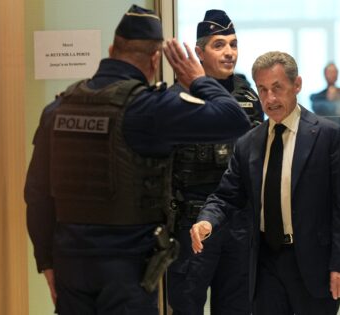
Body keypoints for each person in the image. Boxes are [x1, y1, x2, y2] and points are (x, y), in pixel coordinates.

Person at [24, 4, 251, 315]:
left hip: (70, 264)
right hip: (127, 269)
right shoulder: (149, 111)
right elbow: (234, 120)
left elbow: (36, 195)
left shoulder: (57, 110)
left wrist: (47, 262)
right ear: (155, 59)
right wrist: (198, 80)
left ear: (110, 50)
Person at [191, 51, 340, 315]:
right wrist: (207, 220)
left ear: (297, 85)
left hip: (313, 264)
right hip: (265, 263)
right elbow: (226, 196)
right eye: (262, 90)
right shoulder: (248, 143)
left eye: (277, 88)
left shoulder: (329, 136)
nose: (270, 99)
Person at [167, 9, 263, 315]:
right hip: (191, 222)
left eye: (233, 44)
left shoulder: (248, 96)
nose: (229, 53)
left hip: (239, 223)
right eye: (219, 45)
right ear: (199, 51)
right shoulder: (177, 98)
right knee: (186, 305)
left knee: (237, 307)